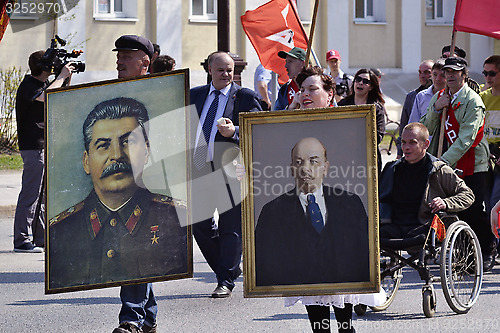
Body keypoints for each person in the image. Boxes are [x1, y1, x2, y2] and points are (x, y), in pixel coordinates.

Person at [49, 97, 188, 285]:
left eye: (128, 142)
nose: (116, 155)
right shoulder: (60, 231)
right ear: (86, 161)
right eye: (103, 145)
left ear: (146, 152)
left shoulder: (177, 218)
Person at [190, 51, 262, 298]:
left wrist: (235, 134)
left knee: (230, 226)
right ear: (209, 69)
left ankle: (225, 280)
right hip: (199, 169)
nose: (226, 74)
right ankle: (227, 265)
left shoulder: (245, 97)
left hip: (232, 171)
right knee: (198, 224)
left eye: (230, 69)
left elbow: (259, 134)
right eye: (221, 69)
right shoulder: (195, 95)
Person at [420, 56, 497, 271]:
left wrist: (442, 162)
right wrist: (436, 108)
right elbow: (425, 128)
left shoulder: (473, 101)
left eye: (455, 72)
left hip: (473, 164)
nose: (450, 75)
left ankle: (486, 249)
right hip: (447, 164)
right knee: (453, 211)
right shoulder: (440, 96)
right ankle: (464, 253)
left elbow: (466, 139)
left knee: (472, 209)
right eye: (447, 71)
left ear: (464, 74)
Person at [13, 50, 74, 253]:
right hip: (33, 147)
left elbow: (58, 98)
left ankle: (41, 238)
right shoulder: (29, 86)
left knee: (43, 195)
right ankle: (21, 240)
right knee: (31, 194)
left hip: (43, 146)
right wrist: (61, 76)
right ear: (45, 68)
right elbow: (46, 96)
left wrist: (65, 80)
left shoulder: (41, 85)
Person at [379, 122, 474, 240]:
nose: (406, 147)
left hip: (424, 226)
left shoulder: (438, 170)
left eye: (412, 142)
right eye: (403, 142)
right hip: (393, 226)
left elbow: (468, 195)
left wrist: (446, 202)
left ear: (426, 144)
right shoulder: (392, 169)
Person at [338, 68, 386, 173]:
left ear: (371, 87)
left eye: (365, 81)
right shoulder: (342, 105)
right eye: (358, 79)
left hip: (368, 159)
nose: (360, 83)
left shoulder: (376, 108)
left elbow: (379, 135)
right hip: (344, 158)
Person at [396, 60, 434, 158]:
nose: (422, 75)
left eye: (426, 72)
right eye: (420, 72)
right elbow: (405, 126)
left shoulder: (444, 96)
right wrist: (400, 152)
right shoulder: (412, 96)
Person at [480, 55, 500, 212]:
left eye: (492, 73)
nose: (487, 77)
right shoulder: (481, 98)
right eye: (485, 73)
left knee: (495, 202)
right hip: (485, 159)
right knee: (487, 205)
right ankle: (491, 237)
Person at [408, 58, 446, 123]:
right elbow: (413, 122)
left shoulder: (452, 96)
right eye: (435, 74)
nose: (437, 79)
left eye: (442, 75)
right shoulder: (421, 96)